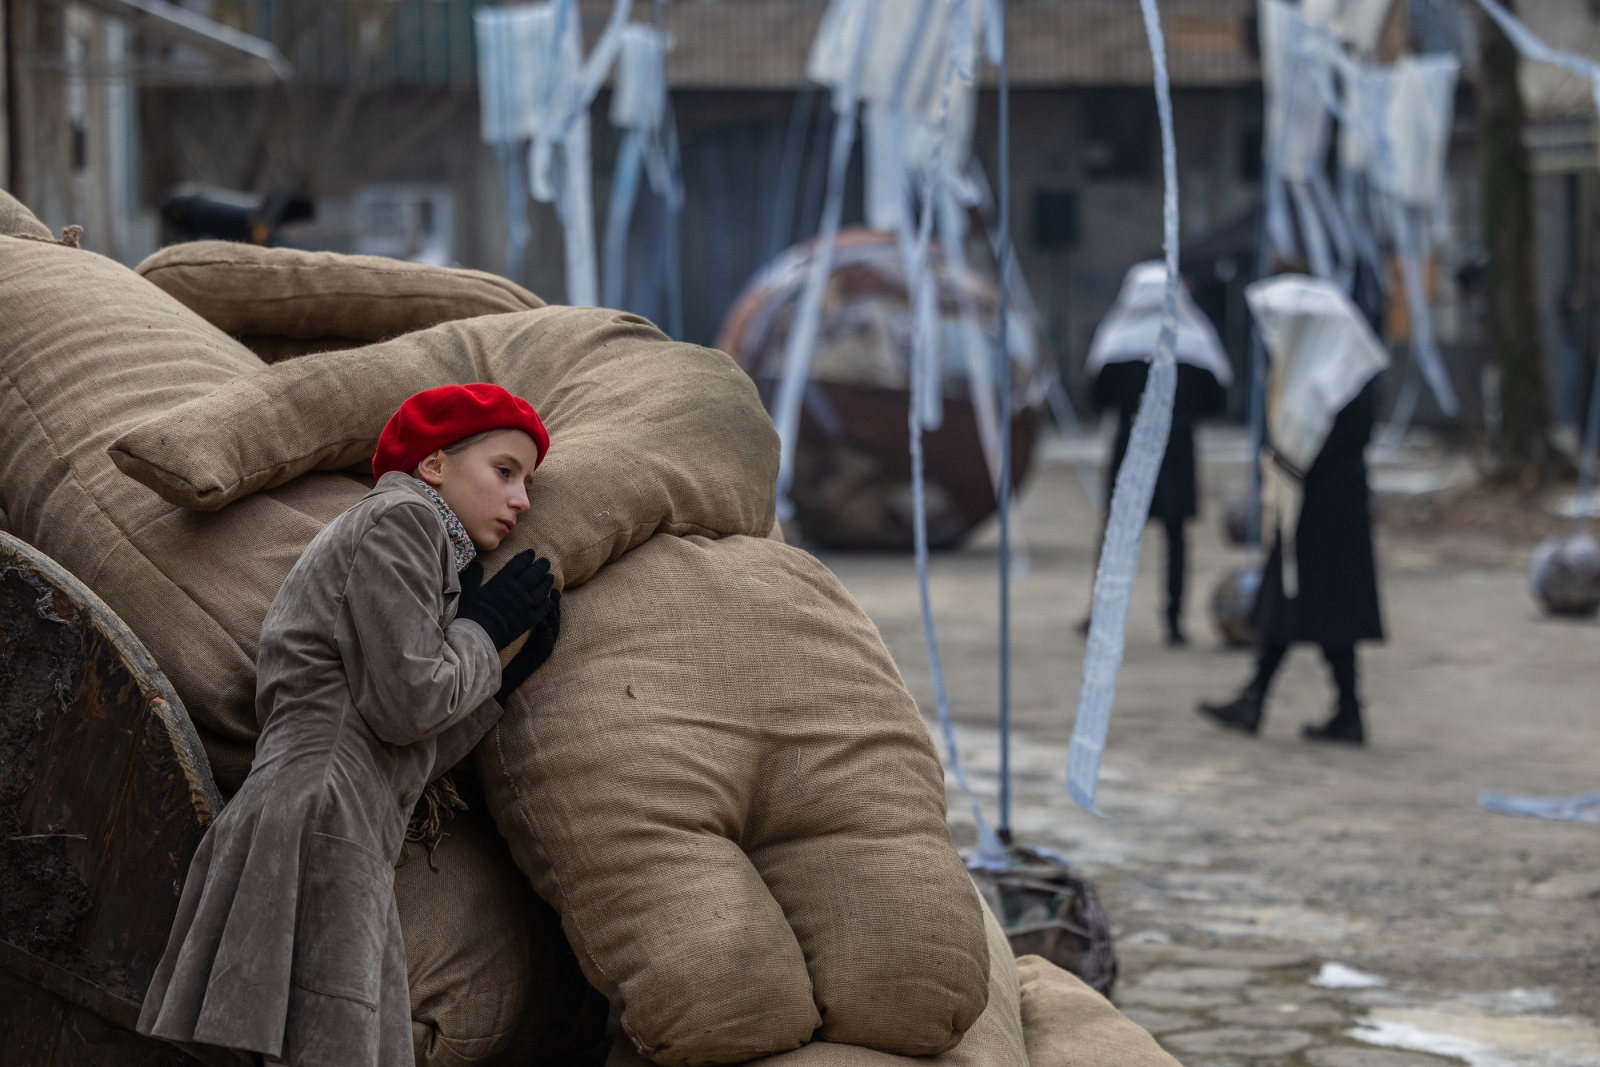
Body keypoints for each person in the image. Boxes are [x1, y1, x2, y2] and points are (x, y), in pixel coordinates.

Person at [138, 383, 560, 1067]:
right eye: (504, 471)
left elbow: (404, 747)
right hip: (322, 820)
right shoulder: (404, 522)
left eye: (528, 483)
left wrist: (499, 682)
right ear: (433, 465)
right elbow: (409, 707)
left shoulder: (422, 548)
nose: (522, 500)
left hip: (332, 820)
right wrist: (483, 632)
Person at [1198, 276, 1388, 744]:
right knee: (1289, 601)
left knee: (1312, 604)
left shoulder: (1338, 377)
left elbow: (1320, 446)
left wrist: (1285, 462)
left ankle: (1325, 707)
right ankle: (1268, 698)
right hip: (1316, 506)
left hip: (1326, 509)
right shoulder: (1331, 371)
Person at [1082, 262, 1231, 645]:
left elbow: (1097, 397)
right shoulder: (1195, 342)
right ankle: (1174, 620)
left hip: (1130, 446)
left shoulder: (1117, 343)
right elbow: (1217, 398)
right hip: (1177, 448)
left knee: (1117, 535)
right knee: (1176, 535)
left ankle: (1100, 616)